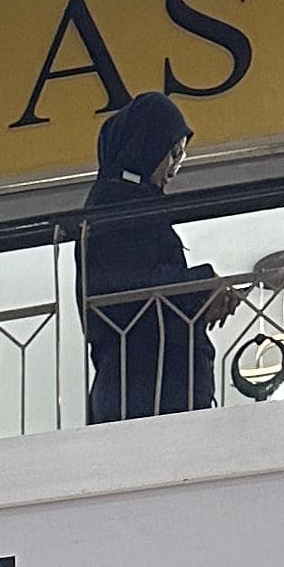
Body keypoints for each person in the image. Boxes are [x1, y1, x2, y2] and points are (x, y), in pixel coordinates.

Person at [78, 93, 239, 423]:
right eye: (174, 153)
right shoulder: (114, 203)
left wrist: (199, 294)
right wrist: (201, 286)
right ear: (147, 144)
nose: (175, 170)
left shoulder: (129, 204)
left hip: (150, 390)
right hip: (141, 393)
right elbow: (125, 287)